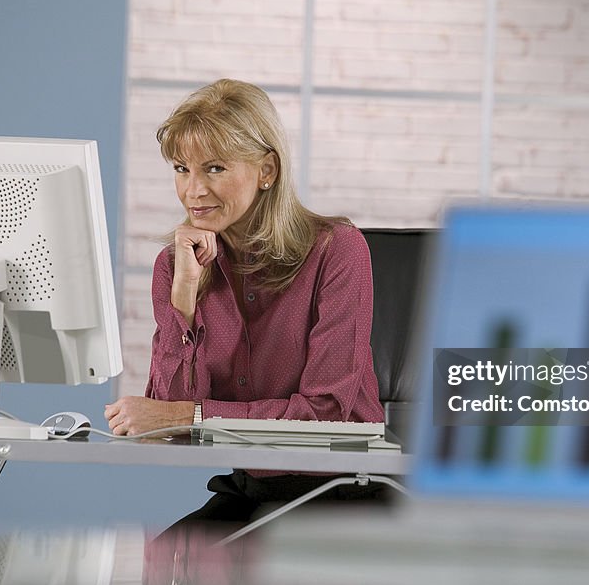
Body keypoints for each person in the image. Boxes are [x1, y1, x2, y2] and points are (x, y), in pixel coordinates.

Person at [104, 79, 390, 531]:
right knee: (167, 566)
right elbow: (163, 422)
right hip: (253, 488)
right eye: (181, 168)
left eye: (214, 168)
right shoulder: (176, 264)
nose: (193, 191)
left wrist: (188, 415)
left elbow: (324, 413)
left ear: (267, 171)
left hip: (340, 491)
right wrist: (185, 300)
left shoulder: (338, 250)